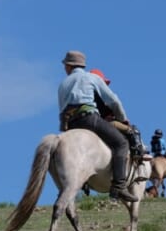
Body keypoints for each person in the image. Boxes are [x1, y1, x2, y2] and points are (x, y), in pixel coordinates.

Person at [59, 50, 138, 202]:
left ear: (69, 66)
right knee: (121, 143)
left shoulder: (63, 84)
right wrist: (123, 119)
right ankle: (120, 186)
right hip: (89, 119)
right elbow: (113, 101)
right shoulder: (91, 77)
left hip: (70, 125)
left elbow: (62, 109)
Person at [89, 67, 146, 159]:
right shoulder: (103, 95)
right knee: (133, 130)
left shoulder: (86, 94)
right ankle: (137, 152)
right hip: (107, 123)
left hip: (87, 122)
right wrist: (123, 120)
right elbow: (115, 107)